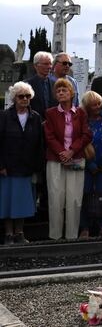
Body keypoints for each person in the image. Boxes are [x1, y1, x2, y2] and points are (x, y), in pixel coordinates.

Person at [44, 78, 93, 239]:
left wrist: (71, 151)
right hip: (55, 160)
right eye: (58, 91)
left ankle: (71, 236)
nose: (61, 93)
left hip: (76, 159)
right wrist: (62, 152)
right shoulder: (50, 113)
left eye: (64, 90)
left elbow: (86, 134)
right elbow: (49, 136)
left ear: (71, 93)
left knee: (74, 199)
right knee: (55, 199)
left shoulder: (80, 113)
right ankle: (55, 236)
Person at [0, 82, 44, 245]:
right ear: (14, 98)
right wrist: (1, 165)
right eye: (21, 96)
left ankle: (20, 233)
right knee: (7, 202)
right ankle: (8, 234)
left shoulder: (36, 117)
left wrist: (37, 168)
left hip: (26, 167)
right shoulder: (4, 116)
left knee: (23, 202)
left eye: (28, 96)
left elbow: (40, 144)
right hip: (8, 167)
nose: (25, 99)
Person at [78, 91, 102, 238]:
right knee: (86, 195)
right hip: (89, 167)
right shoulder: (82, 122)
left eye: (99, 104)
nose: (97, 107)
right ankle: (85, 227)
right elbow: (80, 144)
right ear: (87, 106)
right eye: (93, 105)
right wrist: (91, 165)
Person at [27, 51, 56, 117]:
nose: (49, 67)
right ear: (36, 66)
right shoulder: (27, 85)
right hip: (34, 124)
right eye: (46, 64)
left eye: (50, 64)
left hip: (52, 124)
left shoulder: (55, 85)